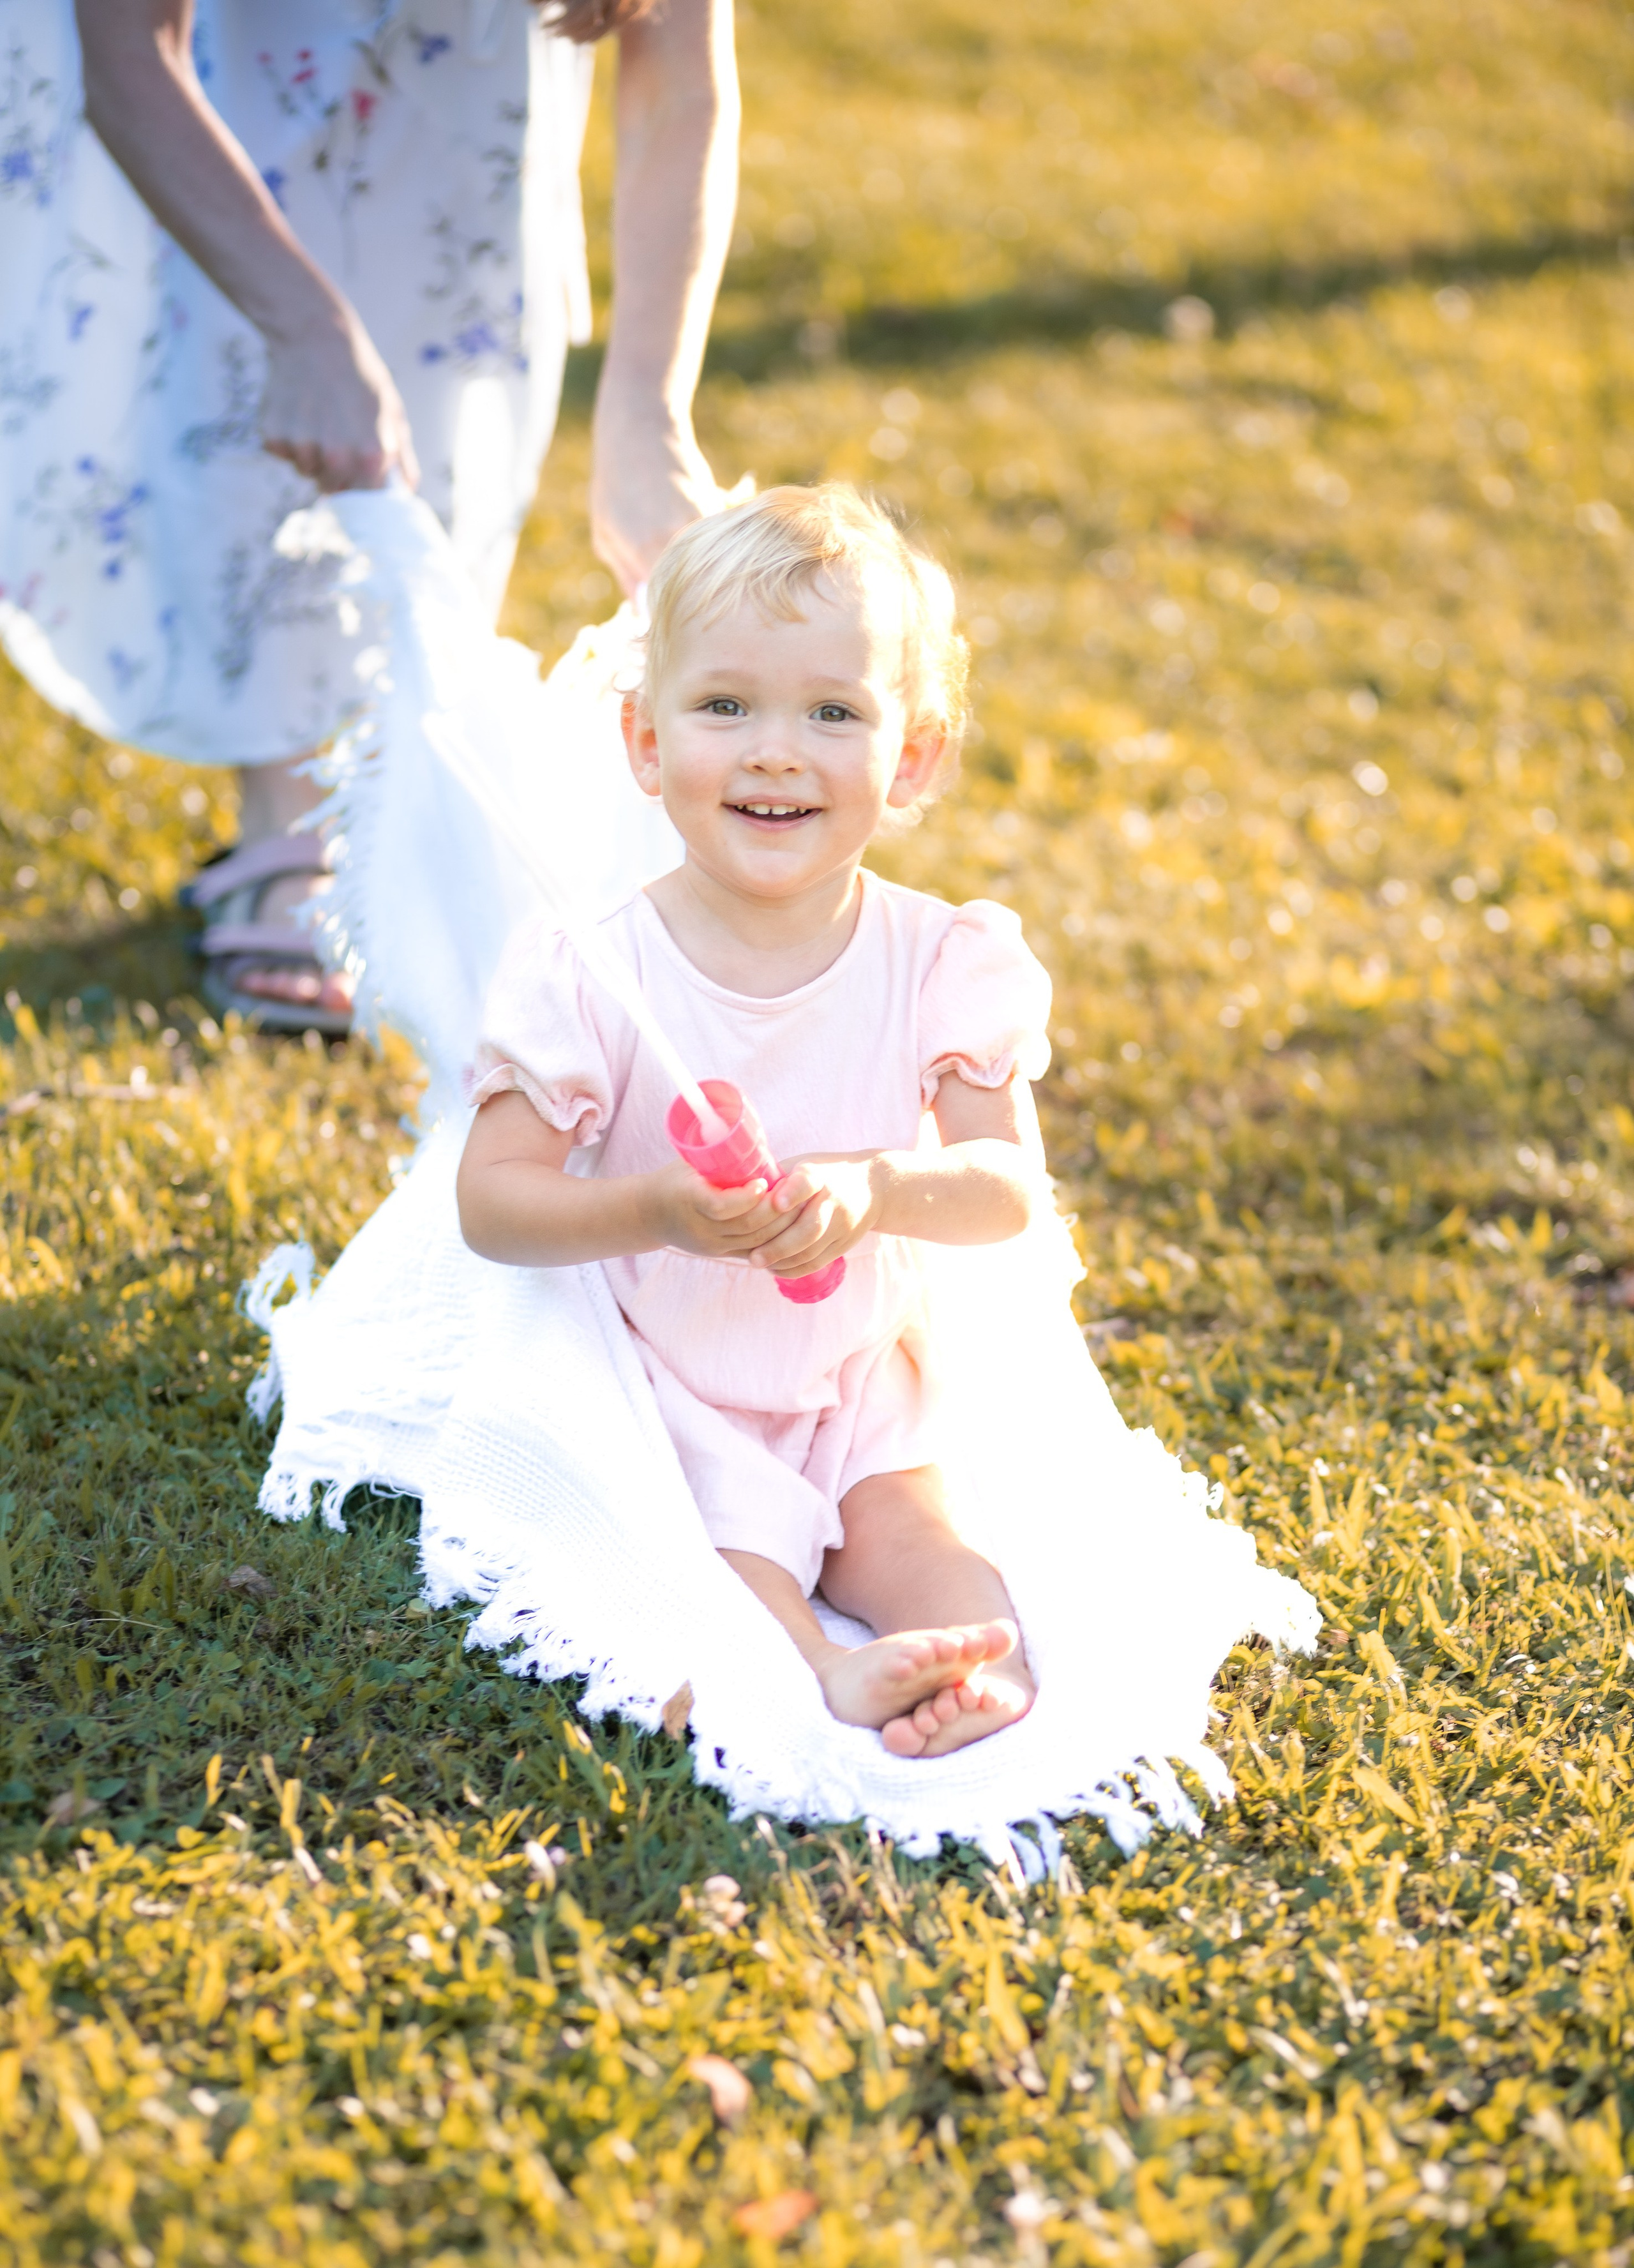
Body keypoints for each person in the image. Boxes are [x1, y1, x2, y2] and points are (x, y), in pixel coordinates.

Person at [0, 0, 738, 1028]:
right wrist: (302, 330)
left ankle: (382, 801)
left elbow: (679, 73)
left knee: (442, 405)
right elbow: (128, 48)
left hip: (458, 118)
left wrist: (646, 409)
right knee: (243, 410)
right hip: (227, 106)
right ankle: (294, 805)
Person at [454, 485, 1051, 1757]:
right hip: (667, 1370)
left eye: (832, 712)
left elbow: (1006, 1186)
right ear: (646, 742)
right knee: (715, 1548)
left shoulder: (939, 956)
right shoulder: (588, 969)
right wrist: (657, 1209)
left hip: (851, 1363)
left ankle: (971, 1666)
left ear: (912, 757)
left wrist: (877, 1187)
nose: (776, 751)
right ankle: (822, 1672)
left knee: (914, 1526)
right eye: (724, 705)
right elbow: (493, 1198)